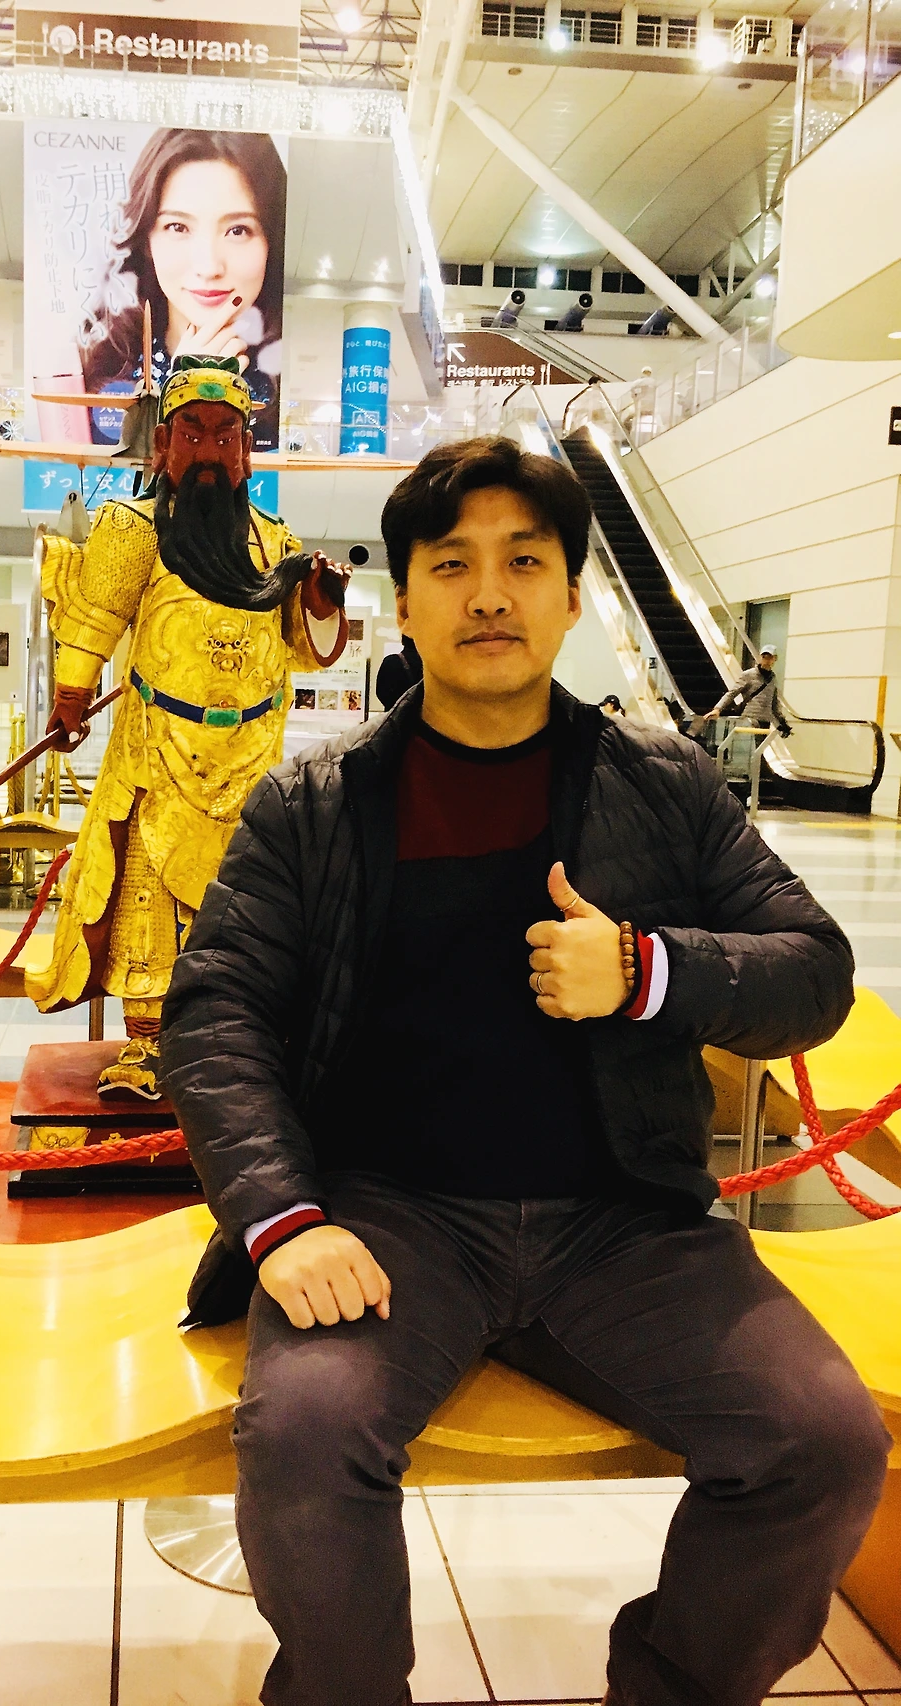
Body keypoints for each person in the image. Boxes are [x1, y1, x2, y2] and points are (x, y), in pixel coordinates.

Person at [160, 435, 888, 1706]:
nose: (487, 594)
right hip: (389, 1216)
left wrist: (649, 969)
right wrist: (281, 1218)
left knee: (820, 1441)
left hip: (624, 1222)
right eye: (450, 565)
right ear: (403, 601)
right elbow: (215, 1011)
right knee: (306, 1436)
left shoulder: (662, 785)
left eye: (523, 562)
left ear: (568, 597)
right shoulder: (315, 803)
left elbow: (811, 970)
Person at [24, 356, 349, 1098]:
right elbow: (95, 615)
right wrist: (71, 694)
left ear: (245, 451)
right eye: (192, 434)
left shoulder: (273, 542)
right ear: (164, 445)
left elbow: (298, 650)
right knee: (150, 895)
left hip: (251, 760)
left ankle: (235, 1033)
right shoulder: (131, 528)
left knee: (247, 901)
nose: (208, 451)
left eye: (224, 436)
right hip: (159, 753)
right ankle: (148, 1043)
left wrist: (321, 604)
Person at [79, 129, 285, 450]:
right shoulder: (95, 367)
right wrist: (185, 386)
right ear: (146, 238)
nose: (209, 266)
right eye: (178, 227)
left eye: (238, 230)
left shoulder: (286, 381)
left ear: (271, 240)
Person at [710, 647, 791, 736]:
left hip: (765, 721)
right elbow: (732, 693)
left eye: (770, 657)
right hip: (749, 718)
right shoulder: (749, 675)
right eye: (764, 657)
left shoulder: (772, 679)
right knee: (747, 742)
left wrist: (782, 722)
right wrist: (717, 709)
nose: (766, 660)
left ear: (775, 659)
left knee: (761, 744)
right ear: (760, 657)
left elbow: (774, 703)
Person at [374, 634, 421, 711]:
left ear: (403, 641)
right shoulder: (430, 664)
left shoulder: (391, 661)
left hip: (396, 714)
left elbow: (381, 692)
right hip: (423, 715)